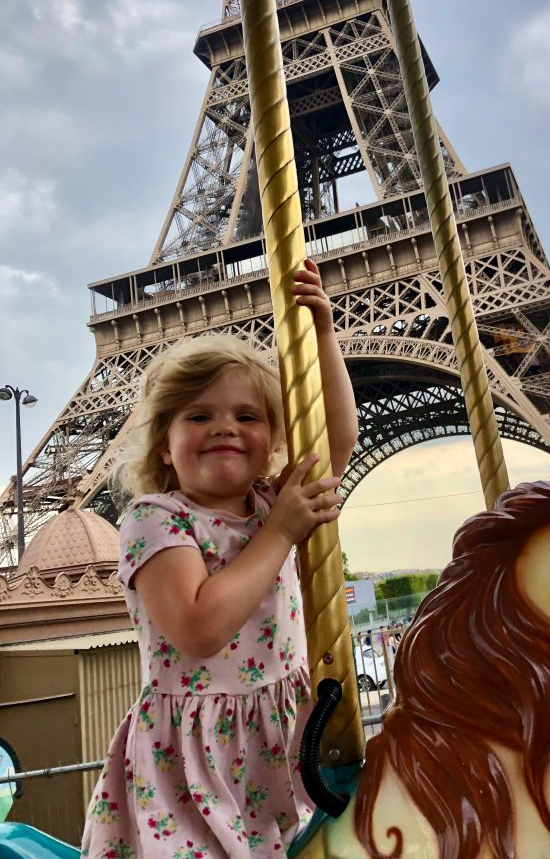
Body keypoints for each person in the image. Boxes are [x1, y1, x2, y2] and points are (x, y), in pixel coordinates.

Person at [81, 259, 357, 858]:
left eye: (247, 416)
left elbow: (335, 441)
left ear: (274, 440)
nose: (224, 428)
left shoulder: (268, 503)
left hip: (285, 734)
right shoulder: (155, 519)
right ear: (164, 442)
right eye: (199, 415)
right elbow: (201, 627)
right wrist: (282, 531)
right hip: (195, 758)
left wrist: (326, 337)